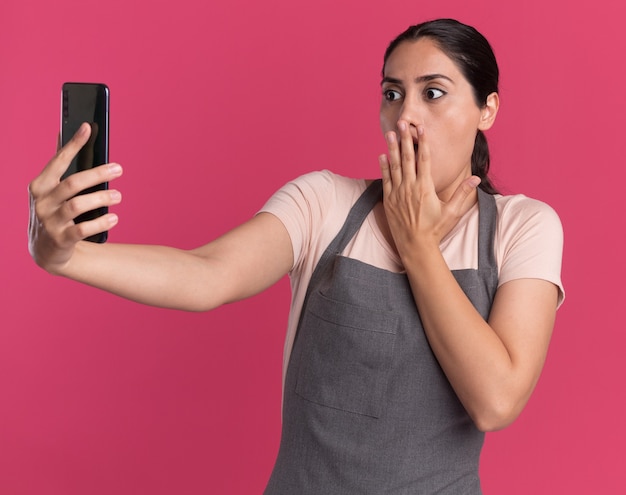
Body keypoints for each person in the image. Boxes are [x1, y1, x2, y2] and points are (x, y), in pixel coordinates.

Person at [28, 18, 564, 495]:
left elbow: (496, 401)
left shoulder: (522, 227)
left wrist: (418, 244)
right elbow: (207, 275)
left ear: (486, 109)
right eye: (393, 94)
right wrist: (65, 259)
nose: (407, 118)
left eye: (434, 93)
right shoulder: (323, 202)